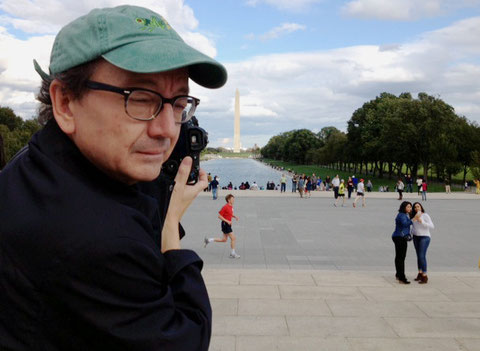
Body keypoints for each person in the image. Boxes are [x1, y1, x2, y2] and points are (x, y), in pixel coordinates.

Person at [0, 5, 227, 350]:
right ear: (65, 102)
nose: (167, 129)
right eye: (140, 98)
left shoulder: (36, 163)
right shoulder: (102, 240)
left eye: (179, 103)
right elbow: (188, 337)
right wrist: (170, 231)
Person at [204, 194, 240, 258]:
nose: (233, 200)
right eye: (232, 199)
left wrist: (234, 216)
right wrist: (227, 221)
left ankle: (208, 240)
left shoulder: (231, 206)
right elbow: (219, 216)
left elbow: (229, 214)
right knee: (233, 238)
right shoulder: (225, 207)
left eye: (233, 198)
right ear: (228, 200)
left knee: (224, 239)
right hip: (225, 224)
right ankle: (233, 253)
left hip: (227, 224)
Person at [411, 202, 434, 284]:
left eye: (418, 206)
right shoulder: (413, 217)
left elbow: (432, 226)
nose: (417, 208)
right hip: (416, 237)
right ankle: (420, 273)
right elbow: (412, 226)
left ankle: (425, 275)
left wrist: (422, 222)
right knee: (418, 256)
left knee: (422, 255)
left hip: (424, 237)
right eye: (415, 207)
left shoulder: (425, 215)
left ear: (421, 207)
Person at [392, 201, 413, 284]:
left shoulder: (404, 214)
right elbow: (405, 224)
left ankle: (398, 274)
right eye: (408, 207)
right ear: (403, 207)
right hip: (400, 237)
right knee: (401, 257)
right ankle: (402, 277)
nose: (410, 208)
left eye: (410, 207)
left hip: (398, 236)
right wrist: (413, 220)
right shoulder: (402, 215)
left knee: (399, 257)